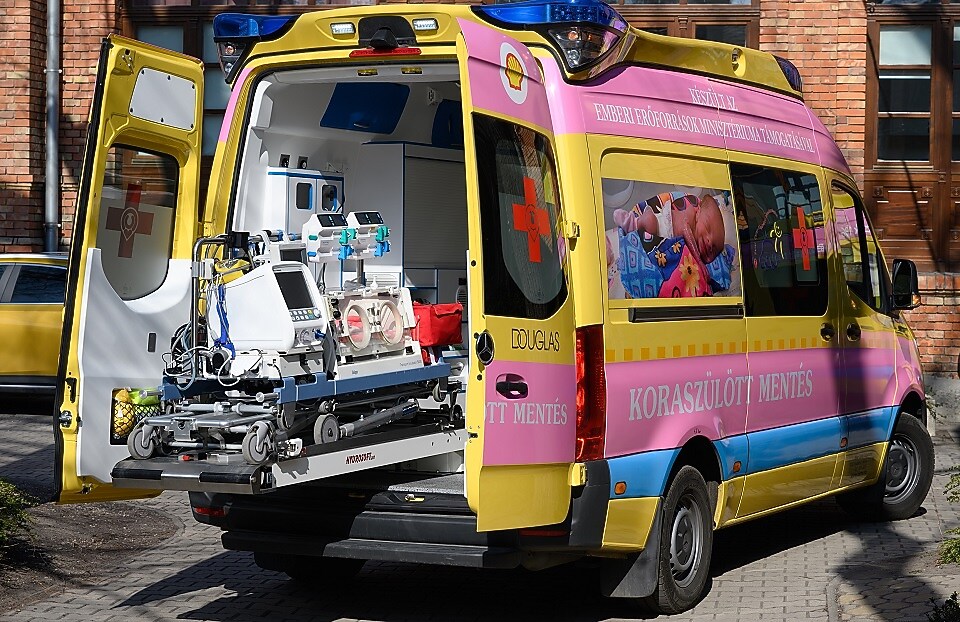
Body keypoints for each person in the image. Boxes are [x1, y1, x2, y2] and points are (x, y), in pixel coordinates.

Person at [613, 192, 726, 265]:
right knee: (649, 223)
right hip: (659, 226)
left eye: (714, 250)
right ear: (698, 213)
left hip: (659, 249)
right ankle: (632, 223)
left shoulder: (697, 256)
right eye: (708, 228)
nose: (709, 242)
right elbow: (685, 231)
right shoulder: (691, 214)